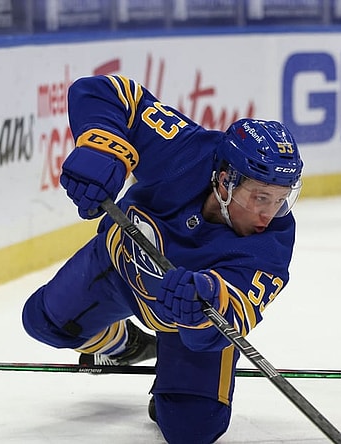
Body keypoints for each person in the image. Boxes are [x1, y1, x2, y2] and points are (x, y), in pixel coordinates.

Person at [21, 74, 303, 444]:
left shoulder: (273, 243)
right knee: (43, 321)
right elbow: (106, 92)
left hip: (183, 326)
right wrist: (103, 147)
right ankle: (127, 346)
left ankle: (171, 367)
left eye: (281, 198)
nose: (269, 214)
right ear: (224, 181)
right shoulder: (186, 149)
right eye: (260, 197)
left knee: (193, 429)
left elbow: (233, 316)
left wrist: (203, 301)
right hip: (118, 265)